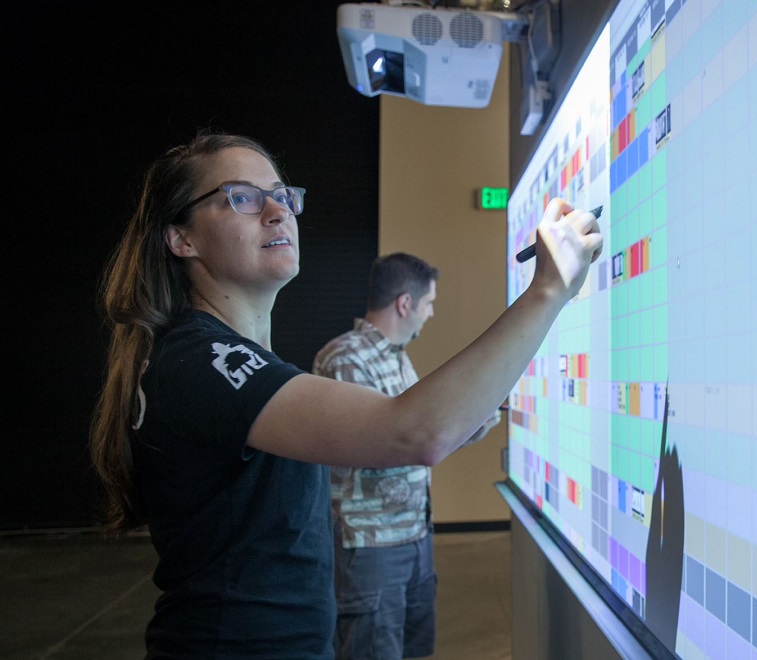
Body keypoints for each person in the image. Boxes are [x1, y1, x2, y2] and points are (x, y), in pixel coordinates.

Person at [88, 130, 601, 657]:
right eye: (242, 197)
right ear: (182, 238)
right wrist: (548, 289)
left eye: (282, 195)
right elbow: (414, 432)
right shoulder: (206, 360)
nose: (277, 212)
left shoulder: (210, 356)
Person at [313, 252, 501, 659]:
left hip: (414, 535)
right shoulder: (345, 358)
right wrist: (448, 424)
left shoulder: (396, 357)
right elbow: (391, 444)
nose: (430, 314)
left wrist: (480, 414)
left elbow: (421, 435)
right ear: (405, 303)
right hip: (371, 545)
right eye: (429, 303)